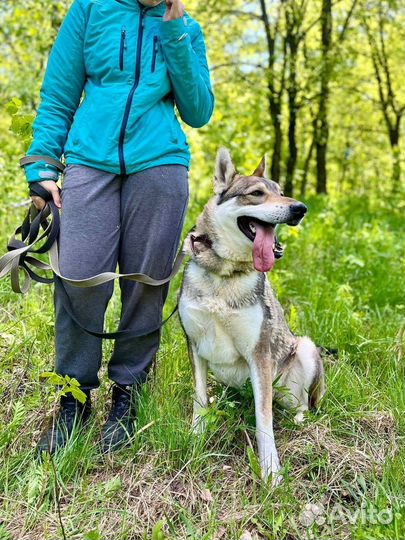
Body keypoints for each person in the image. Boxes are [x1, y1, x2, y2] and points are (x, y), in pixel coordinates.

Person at [22, 0, 214, 453]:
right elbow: (59, 92)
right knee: (79, 280)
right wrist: (43, 163)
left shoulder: (186, 28)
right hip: (90, 158)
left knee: (148, 284)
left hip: (161, 165)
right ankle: (74, 398)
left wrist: (175, 33)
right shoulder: (90, 10)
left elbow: (199, 109)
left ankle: (129, 393)